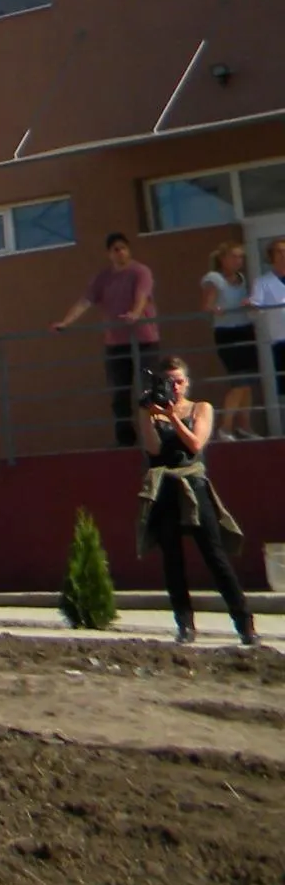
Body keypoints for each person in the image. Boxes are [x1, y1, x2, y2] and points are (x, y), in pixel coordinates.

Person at [134, 356, 257, 648]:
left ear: (187, 383)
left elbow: (195, 444)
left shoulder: (201, 408)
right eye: (169, 382)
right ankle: (185, 625)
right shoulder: (152, 412)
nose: (174, 387)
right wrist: (147, 414)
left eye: (179, 381)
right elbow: (153, 449)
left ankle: (244, 624)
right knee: (172, 559)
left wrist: (173, 416)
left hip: (193, 483)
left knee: (214, 555)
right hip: (165, 485)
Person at [51, 232, 159, 446]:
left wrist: (135, 313)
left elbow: (142, 295)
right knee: (119, 393)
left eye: (123, 248)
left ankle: (156, 434)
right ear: (109, 254)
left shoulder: (140, 271)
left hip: (144, 340)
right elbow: (85, 301)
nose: (120, 253)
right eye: (115, 250)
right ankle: (126, 439)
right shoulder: (103, 277)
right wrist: (65, 322)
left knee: (148, 389)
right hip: (116, 343)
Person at [203, 239, 260, 441]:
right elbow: (207, 305)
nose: (238, 261)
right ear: (223, 258)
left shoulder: (242, 278)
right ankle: (225, 428)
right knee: (239, 381)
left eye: (240, 257)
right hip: (227, 333)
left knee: (248, 382)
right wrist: (216, 309)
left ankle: (245, 426)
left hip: (246, 330)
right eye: (234, 256)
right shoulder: (215, 279)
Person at [255, 237, 285, 440]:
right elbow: (255, 306)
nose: (284, 255)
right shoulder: (263, 282)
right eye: (279, 252)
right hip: (281, 341)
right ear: (271, 257)